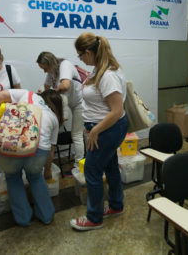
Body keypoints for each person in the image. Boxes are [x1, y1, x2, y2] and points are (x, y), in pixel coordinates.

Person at [70, 33, 128, 231]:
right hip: (104, 127)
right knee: (110, 166)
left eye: (80, 55)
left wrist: (95, 130)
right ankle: (115, 205)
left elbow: (117, 111)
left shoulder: (108, 75)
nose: (81, 60)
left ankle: (94, 218)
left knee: (92, 170)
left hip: (107, 129)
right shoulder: (101, 70)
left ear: (88, 52)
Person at [0, 89, 63, 226]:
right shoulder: (53, 118)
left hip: (10, 146)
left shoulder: (27, 94)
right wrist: (47, 170)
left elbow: (1, 95)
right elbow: (50, 150)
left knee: (13, 178)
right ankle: (46, 216)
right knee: (35, 177)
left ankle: (23, 219)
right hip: (38, 152)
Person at [36, 51, 85, 170]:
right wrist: (42, 95)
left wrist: (51, 93)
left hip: (82, 103)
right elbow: (46, 87)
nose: (45, 71)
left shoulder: (65, 65)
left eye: (45, 68)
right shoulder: (52, 71)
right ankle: (86, 159)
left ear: (51, 63)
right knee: (84, 134)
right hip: (73, 104)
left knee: (77, 135)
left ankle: (78, 166)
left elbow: (65, 86)